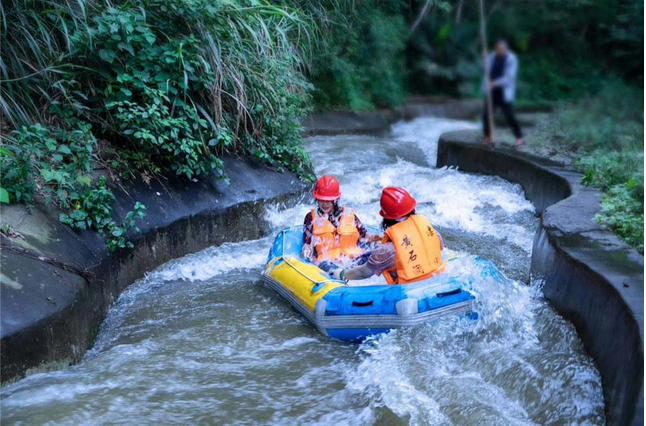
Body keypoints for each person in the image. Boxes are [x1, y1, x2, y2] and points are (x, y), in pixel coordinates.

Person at [333, 187, 444, 284]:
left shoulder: (385, 250)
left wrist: (342, 274)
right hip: (436, 280)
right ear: (412, 209)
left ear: (386, 218)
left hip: (408, 291)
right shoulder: (432, 232)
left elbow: (363, 273)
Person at [302, 175, 378, 272]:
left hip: (352, 260)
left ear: (335, 199)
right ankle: (341, 275)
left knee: (372, 256)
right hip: (328, 263)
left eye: (328, 201)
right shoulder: (310, 218)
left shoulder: (350, 215)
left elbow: (365, 236)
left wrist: (379, 238)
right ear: (317, 199)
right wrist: (306, 254)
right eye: (322, 200)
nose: (324, 204)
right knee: (326, 265)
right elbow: (307, 244)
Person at [482, 39, 524, 147]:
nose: (501, 51)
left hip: (503, 91)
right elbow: (485, 70)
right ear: (496, 49)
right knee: (486, 114)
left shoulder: (511, 58)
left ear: (506, 48)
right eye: (499, 49)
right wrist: (484, 59)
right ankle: (487, 135)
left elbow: (509, 78)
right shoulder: (492, 56)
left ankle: (519, 137)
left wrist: (494, 83)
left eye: (503, 49)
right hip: (492, 91)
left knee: (509, 115)